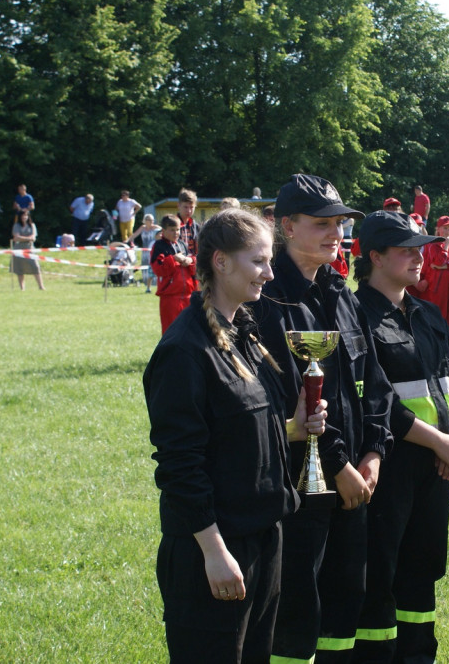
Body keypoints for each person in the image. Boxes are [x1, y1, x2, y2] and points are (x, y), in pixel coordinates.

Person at [143, 208, 329, 663]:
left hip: (265, 538)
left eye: (269, 260)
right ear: (220, 262)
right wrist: (214, 553)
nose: (269, 273)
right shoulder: (185, 351)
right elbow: (180, 465)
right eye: (258, 261)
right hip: (217, 548)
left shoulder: (242, 332)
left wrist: (293, 427)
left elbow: (237, 435)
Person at [250, 173, 393, 664]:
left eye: (340, 223)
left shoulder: (340, 292)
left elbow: (374, 382)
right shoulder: (268, 301)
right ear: (286, 226)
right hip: (300, 484)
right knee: (297, 609)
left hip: (357, 478)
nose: (336, 233)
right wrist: (339, 466)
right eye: (322, 224)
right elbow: (293, 399)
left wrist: (373, 453)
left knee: (343, 603)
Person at [352, 210, 449, 663]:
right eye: (406, 249)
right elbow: (375, 398)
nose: (420, 257)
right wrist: (438, 441)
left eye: (421, 247)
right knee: (381, 568)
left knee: (424, 567)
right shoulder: (356, 314)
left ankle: (418, 655)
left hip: (439, 460)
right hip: (390, 460)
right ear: (376, 257)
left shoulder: (426, 313)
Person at [417, 215, 449, 332]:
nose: (447, 231)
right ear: (438, 229)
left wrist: (445, 266)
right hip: (437, 285)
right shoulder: (433, 244)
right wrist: (446, 247)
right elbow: (439, 261)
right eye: (445, 228)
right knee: (438, 313)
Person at [152, 215, 197, 334]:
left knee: (189, 331)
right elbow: (158, 269)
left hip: (188, 295)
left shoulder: (182, 245)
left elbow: (194, 267)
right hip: (170, 297)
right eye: (172, 230)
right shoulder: (159, 246)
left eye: (177, 229)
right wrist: (173, 259)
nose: (176, 233)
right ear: (163, 230)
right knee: (171, 332)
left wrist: (191, 261)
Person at [10, 210, 45, 291]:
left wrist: (22, 238)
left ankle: (41, 286)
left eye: (26, 215)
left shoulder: (32, 225)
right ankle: (22, 288)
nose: (24, 217)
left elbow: (33, 238)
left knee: (35, 266)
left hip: (30, 249)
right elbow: (16, 237)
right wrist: (28, 238)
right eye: (22, 215)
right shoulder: (16, 225)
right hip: (18, 249)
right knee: (20, 268)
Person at [131, 214, 162, 293]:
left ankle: (158, 286)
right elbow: (134, 235)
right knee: (147, 268)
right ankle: (147, 286)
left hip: (155, 252)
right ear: (145, 220)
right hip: (145, 251)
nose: (151, 222)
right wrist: (128, 241)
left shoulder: (156, 228)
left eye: (152, 220)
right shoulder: (142, 228)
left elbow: (164, 232)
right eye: (149, 220)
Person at [177, 188, 200, 258]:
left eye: (191, 207)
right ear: (178, 206)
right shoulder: (172, 224)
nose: (189, 211)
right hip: (178, 262)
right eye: (185, 207)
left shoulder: (196, 226)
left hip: (193, 263)